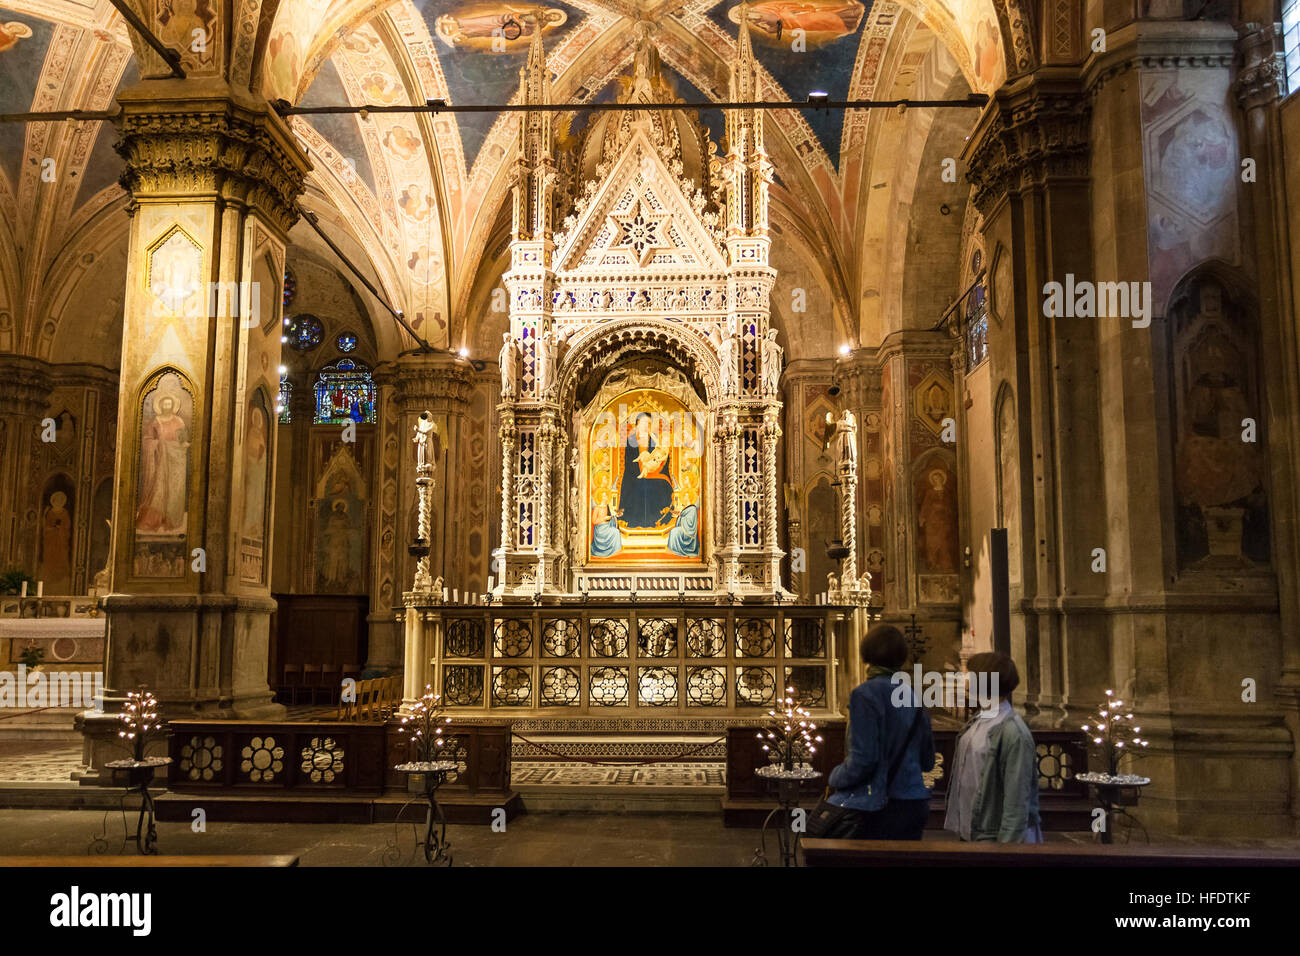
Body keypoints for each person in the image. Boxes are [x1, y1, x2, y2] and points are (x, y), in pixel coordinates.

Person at [823, 624, 934, 839]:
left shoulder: (865, 695)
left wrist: (835, 777)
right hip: (914, 804)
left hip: (876, 807)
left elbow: (863, 761)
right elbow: (928, 761)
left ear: (867, 654)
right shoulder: (913, 696)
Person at [943, 651, 1043, 843]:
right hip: (974, 831)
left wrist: (1006, 851)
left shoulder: (1013, 732)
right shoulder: (980, 719)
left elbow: (1017, 799)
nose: (963, 678)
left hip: (996, 837)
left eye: (968, 673)